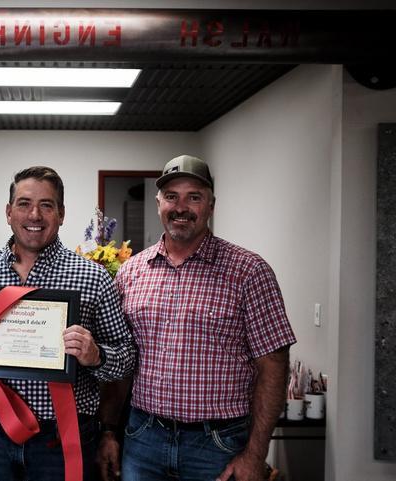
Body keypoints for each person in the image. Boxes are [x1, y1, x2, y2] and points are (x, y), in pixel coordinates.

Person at [98, 155, 296, 481]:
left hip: (218, 444)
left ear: (211, 205)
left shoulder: (249, 271)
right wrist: (108, 430)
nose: (181, 207)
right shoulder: (131, 272)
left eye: (194, 197)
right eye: (171, 197)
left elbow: (273, 365)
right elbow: (122, 362)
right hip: (143, 438)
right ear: (159, 203)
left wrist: (255, 454)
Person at [0, 166, 135, 481]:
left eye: (46, 205)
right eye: (24, 204)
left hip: (64, 442)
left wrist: (96, 356)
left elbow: (126, 358)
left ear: (61, 214)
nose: (34, 215)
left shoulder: (93, 278)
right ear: (8, 212)